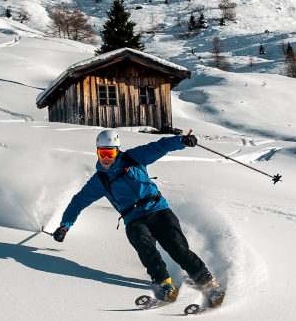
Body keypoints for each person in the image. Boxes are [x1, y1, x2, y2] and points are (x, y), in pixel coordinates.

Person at [53, 129, 225, 307]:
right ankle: (164, 282)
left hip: (158, 209)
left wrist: (181, 141)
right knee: (145, 247)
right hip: (134, 218)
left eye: (110, 153)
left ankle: (207, 282)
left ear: (117, 151)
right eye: (102, 153)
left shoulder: (134, 157)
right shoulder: (100, 180)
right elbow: (79, 201)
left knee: (177, 247)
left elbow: (160, 146)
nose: (106, 158)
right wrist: (65, 225)